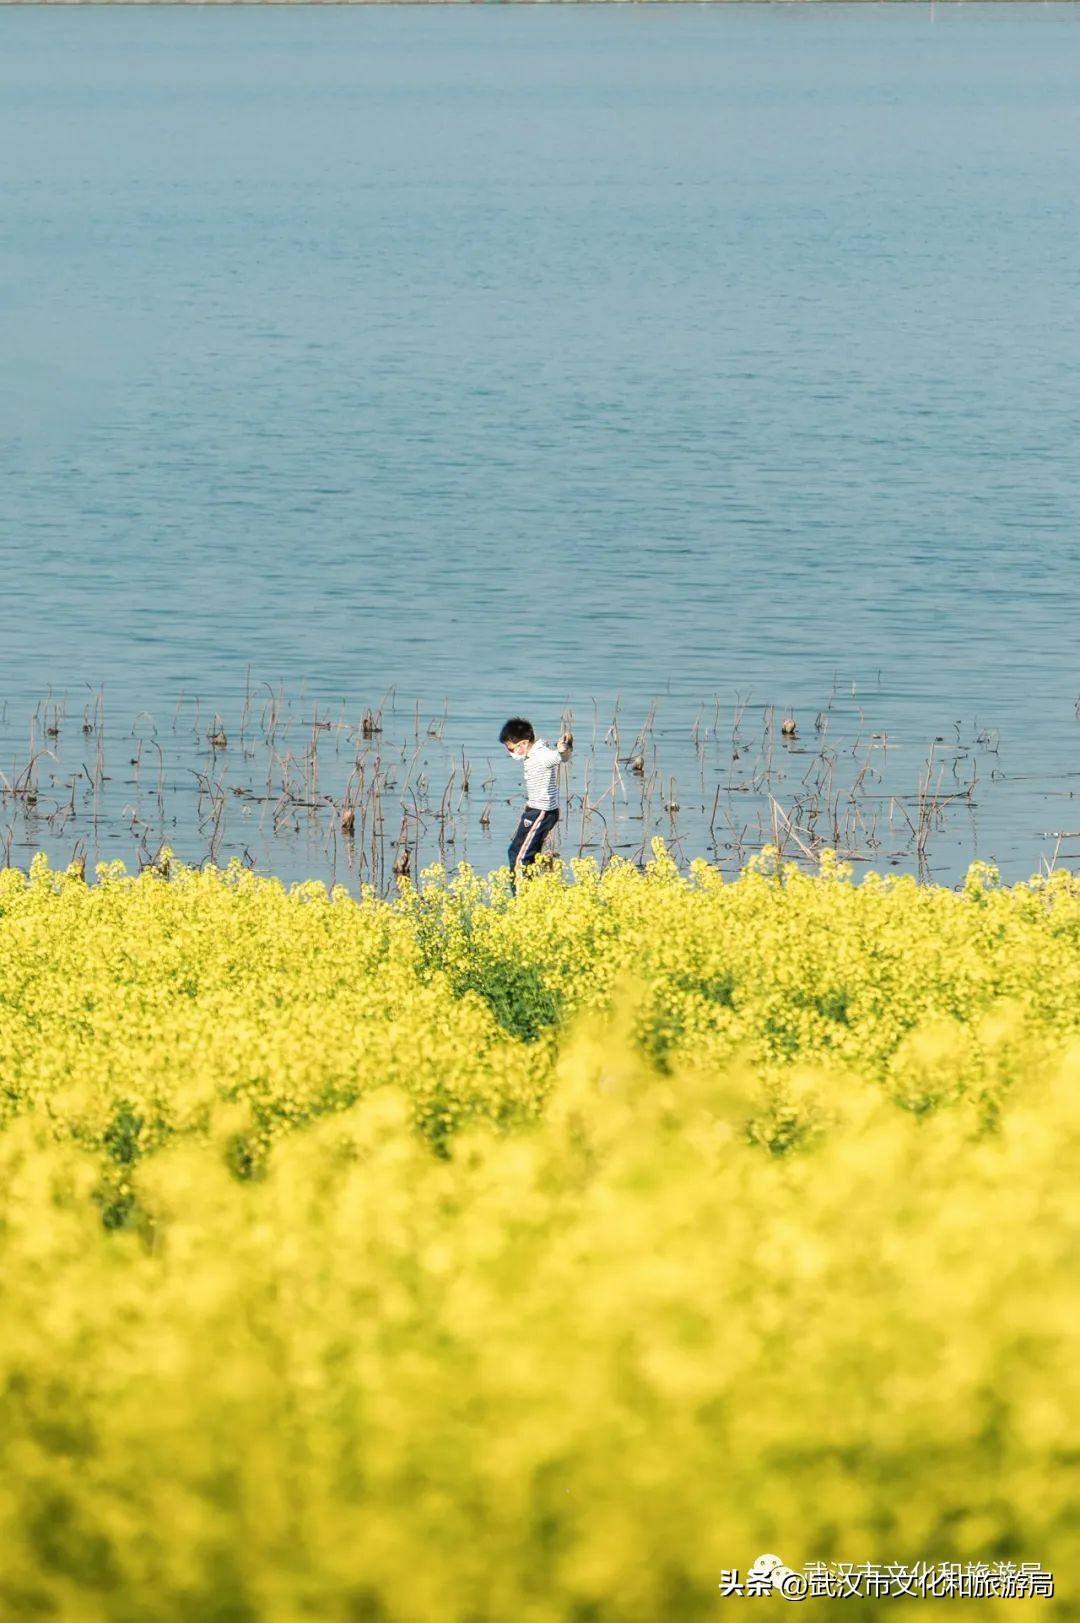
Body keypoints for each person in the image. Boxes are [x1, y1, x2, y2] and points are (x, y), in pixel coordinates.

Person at [499, 717, 572, 891]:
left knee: (520, 857)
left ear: (523, 744)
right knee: (518, 852)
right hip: (534, 810)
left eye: (510, 748)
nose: (510, 753)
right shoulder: (532, 753)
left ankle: (522, 898)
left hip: (542, 812)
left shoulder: (541, 754)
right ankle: (531, 894)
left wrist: (565, 748)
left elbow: (560, 757)